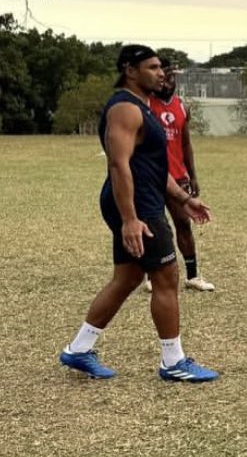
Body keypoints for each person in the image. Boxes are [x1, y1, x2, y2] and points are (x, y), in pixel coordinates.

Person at [58, 45, 218, 382]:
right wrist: (131, 218)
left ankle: (78, 350)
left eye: (161, 67)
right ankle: (173, 362)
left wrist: (183, 198)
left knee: (129, 277)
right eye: (153, 67)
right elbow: (119, 164)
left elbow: (154, 166)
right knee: (165, 276)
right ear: (131, 70)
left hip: (144, 199)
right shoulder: (125, 109)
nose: (161, 73)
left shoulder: (143, 109)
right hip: (136, 205)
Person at [146, 57, 215, 292]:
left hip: (178, 176)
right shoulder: (144, 105)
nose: (168, 82)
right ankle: (149, 274)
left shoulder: (183, 107)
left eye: (172, 77)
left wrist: (192, 175)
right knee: (153, 226)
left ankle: (192, 276)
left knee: (183, 224)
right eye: (164, 77)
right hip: (152, 176)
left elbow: (186, 144)